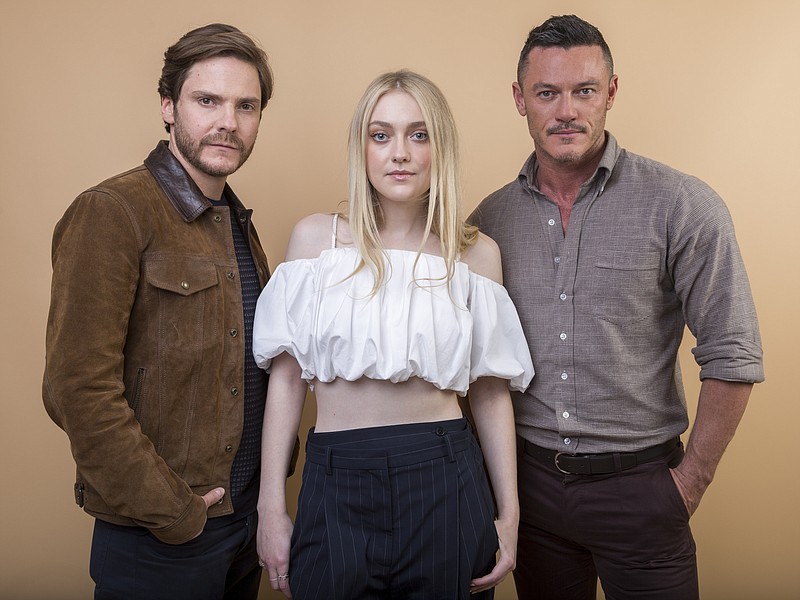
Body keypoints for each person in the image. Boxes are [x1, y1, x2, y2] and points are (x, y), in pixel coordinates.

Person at [469, 14, 765, 600]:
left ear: (611, 92)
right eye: (546, 93)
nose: (566, 111)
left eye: (584, 91)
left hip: (643, 491)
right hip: (530, 494)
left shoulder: (681, 205)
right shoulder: (489, 224)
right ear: (519, 99)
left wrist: (688, 484)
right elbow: (474, 366)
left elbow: (734, 353)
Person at [252, 70, 534, 599]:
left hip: (445, 476)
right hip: (336, 478)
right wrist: (272, 508)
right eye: (381, 135)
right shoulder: (315, 243)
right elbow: (286, 383)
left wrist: (509, 514)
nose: (399, 152)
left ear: (440, 148)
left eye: (419, 134)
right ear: (361, 149)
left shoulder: (476, 255)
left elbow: (491, 393)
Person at [42, 23, 295, 600]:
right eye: (208, 100)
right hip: (160, 536)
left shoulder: (236, 225)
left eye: (245, 105)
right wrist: (173, 510)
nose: (228, 121)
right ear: (168, 106)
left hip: (241, 523)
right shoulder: (112, 211)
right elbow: (75, 389)